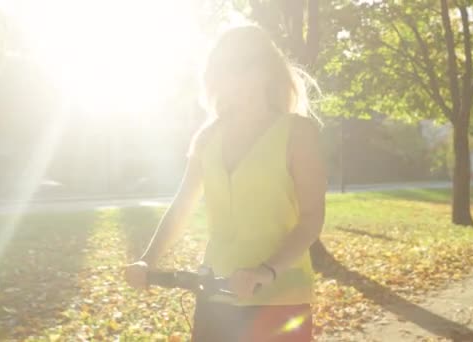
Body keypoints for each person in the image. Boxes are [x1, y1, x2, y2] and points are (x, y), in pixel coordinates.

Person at [125, 24, 326, 341]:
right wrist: (146, 260)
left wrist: (266, 270)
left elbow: (312, 217)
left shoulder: (297, 133)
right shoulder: (207, 138)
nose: (235, 77)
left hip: (279, 295)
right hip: (216, 292)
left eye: (245, 65)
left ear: (266, 69)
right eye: (226, 68)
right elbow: (182, 207)